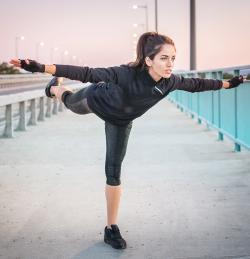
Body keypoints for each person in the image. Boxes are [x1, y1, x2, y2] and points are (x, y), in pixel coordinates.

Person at [10, 31, 245, 250]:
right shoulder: (125, 74)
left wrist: (229, 83)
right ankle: (54, 90)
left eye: (173, 58)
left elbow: (198, 85)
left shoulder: (170, 82)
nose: (170, 64)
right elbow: (86, 73)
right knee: (72, 105)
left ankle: (111, 229)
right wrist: (41, 67)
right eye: (164, 58)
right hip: (97, 99)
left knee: (113, 171)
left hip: (121, 121)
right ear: (148, 59)